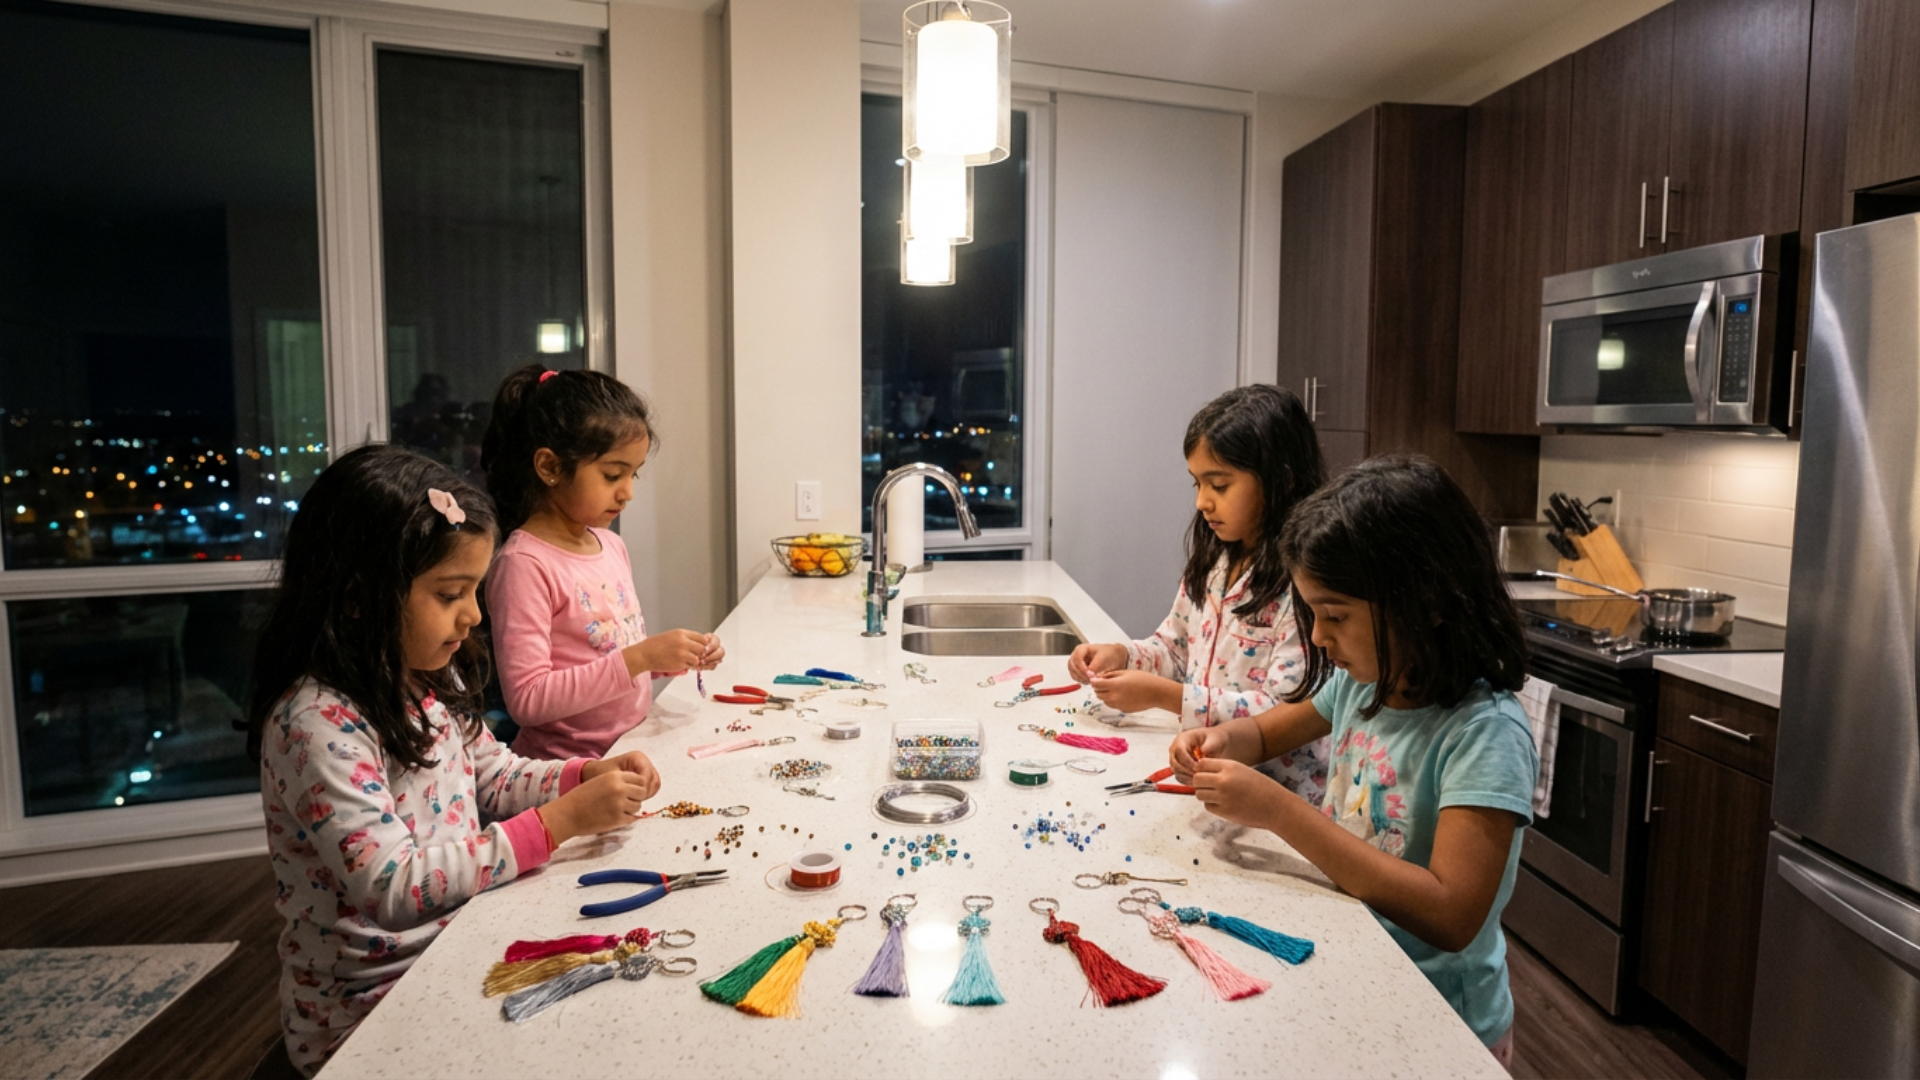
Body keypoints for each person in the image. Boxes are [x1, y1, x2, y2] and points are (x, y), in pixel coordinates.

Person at [247, 445, 661, 1077]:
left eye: (474, 591)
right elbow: (392, 885)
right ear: (360, 597)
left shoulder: (422, 680)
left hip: (456, 949)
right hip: (367, 1013)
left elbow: (494, 775)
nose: (473, 615)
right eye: (450, 594)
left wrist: (582, 775)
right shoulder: (315, 723)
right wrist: (556, 824)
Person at [1172, 454, 1538, 1071]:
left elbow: (1451, 914)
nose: (1316, 636)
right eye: (1311, 612)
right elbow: (1262, 734)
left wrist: (1281, 813)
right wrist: (1218, 743)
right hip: (1358, 965)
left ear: (1427, 602)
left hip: (1442, 1021)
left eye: (1335, 615)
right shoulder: (1361, 685)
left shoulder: (1485, 733)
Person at [1067, 384, 1329, 802]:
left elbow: (1289, 713)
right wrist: (1124, 655)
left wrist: (1163, 696)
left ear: (1281, 481)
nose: (1203, 502)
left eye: (1219, 486)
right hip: (1208, 776)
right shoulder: (1216, 561)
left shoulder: (1305, 583)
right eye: (1197, 485)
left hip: (1279, 792)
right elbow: (1175, 649)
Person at [480, 364, 722, 759]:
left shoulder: (610, 545)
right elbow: (528, 699)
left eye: (634, 476)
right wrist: (639, 657)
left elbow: (605, 655)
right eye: (613, 475)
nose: (627, 492)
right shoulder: (524, 564)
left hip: (623, 753)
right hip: (564, 774)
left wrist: (667, 658)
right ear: (550, 467)